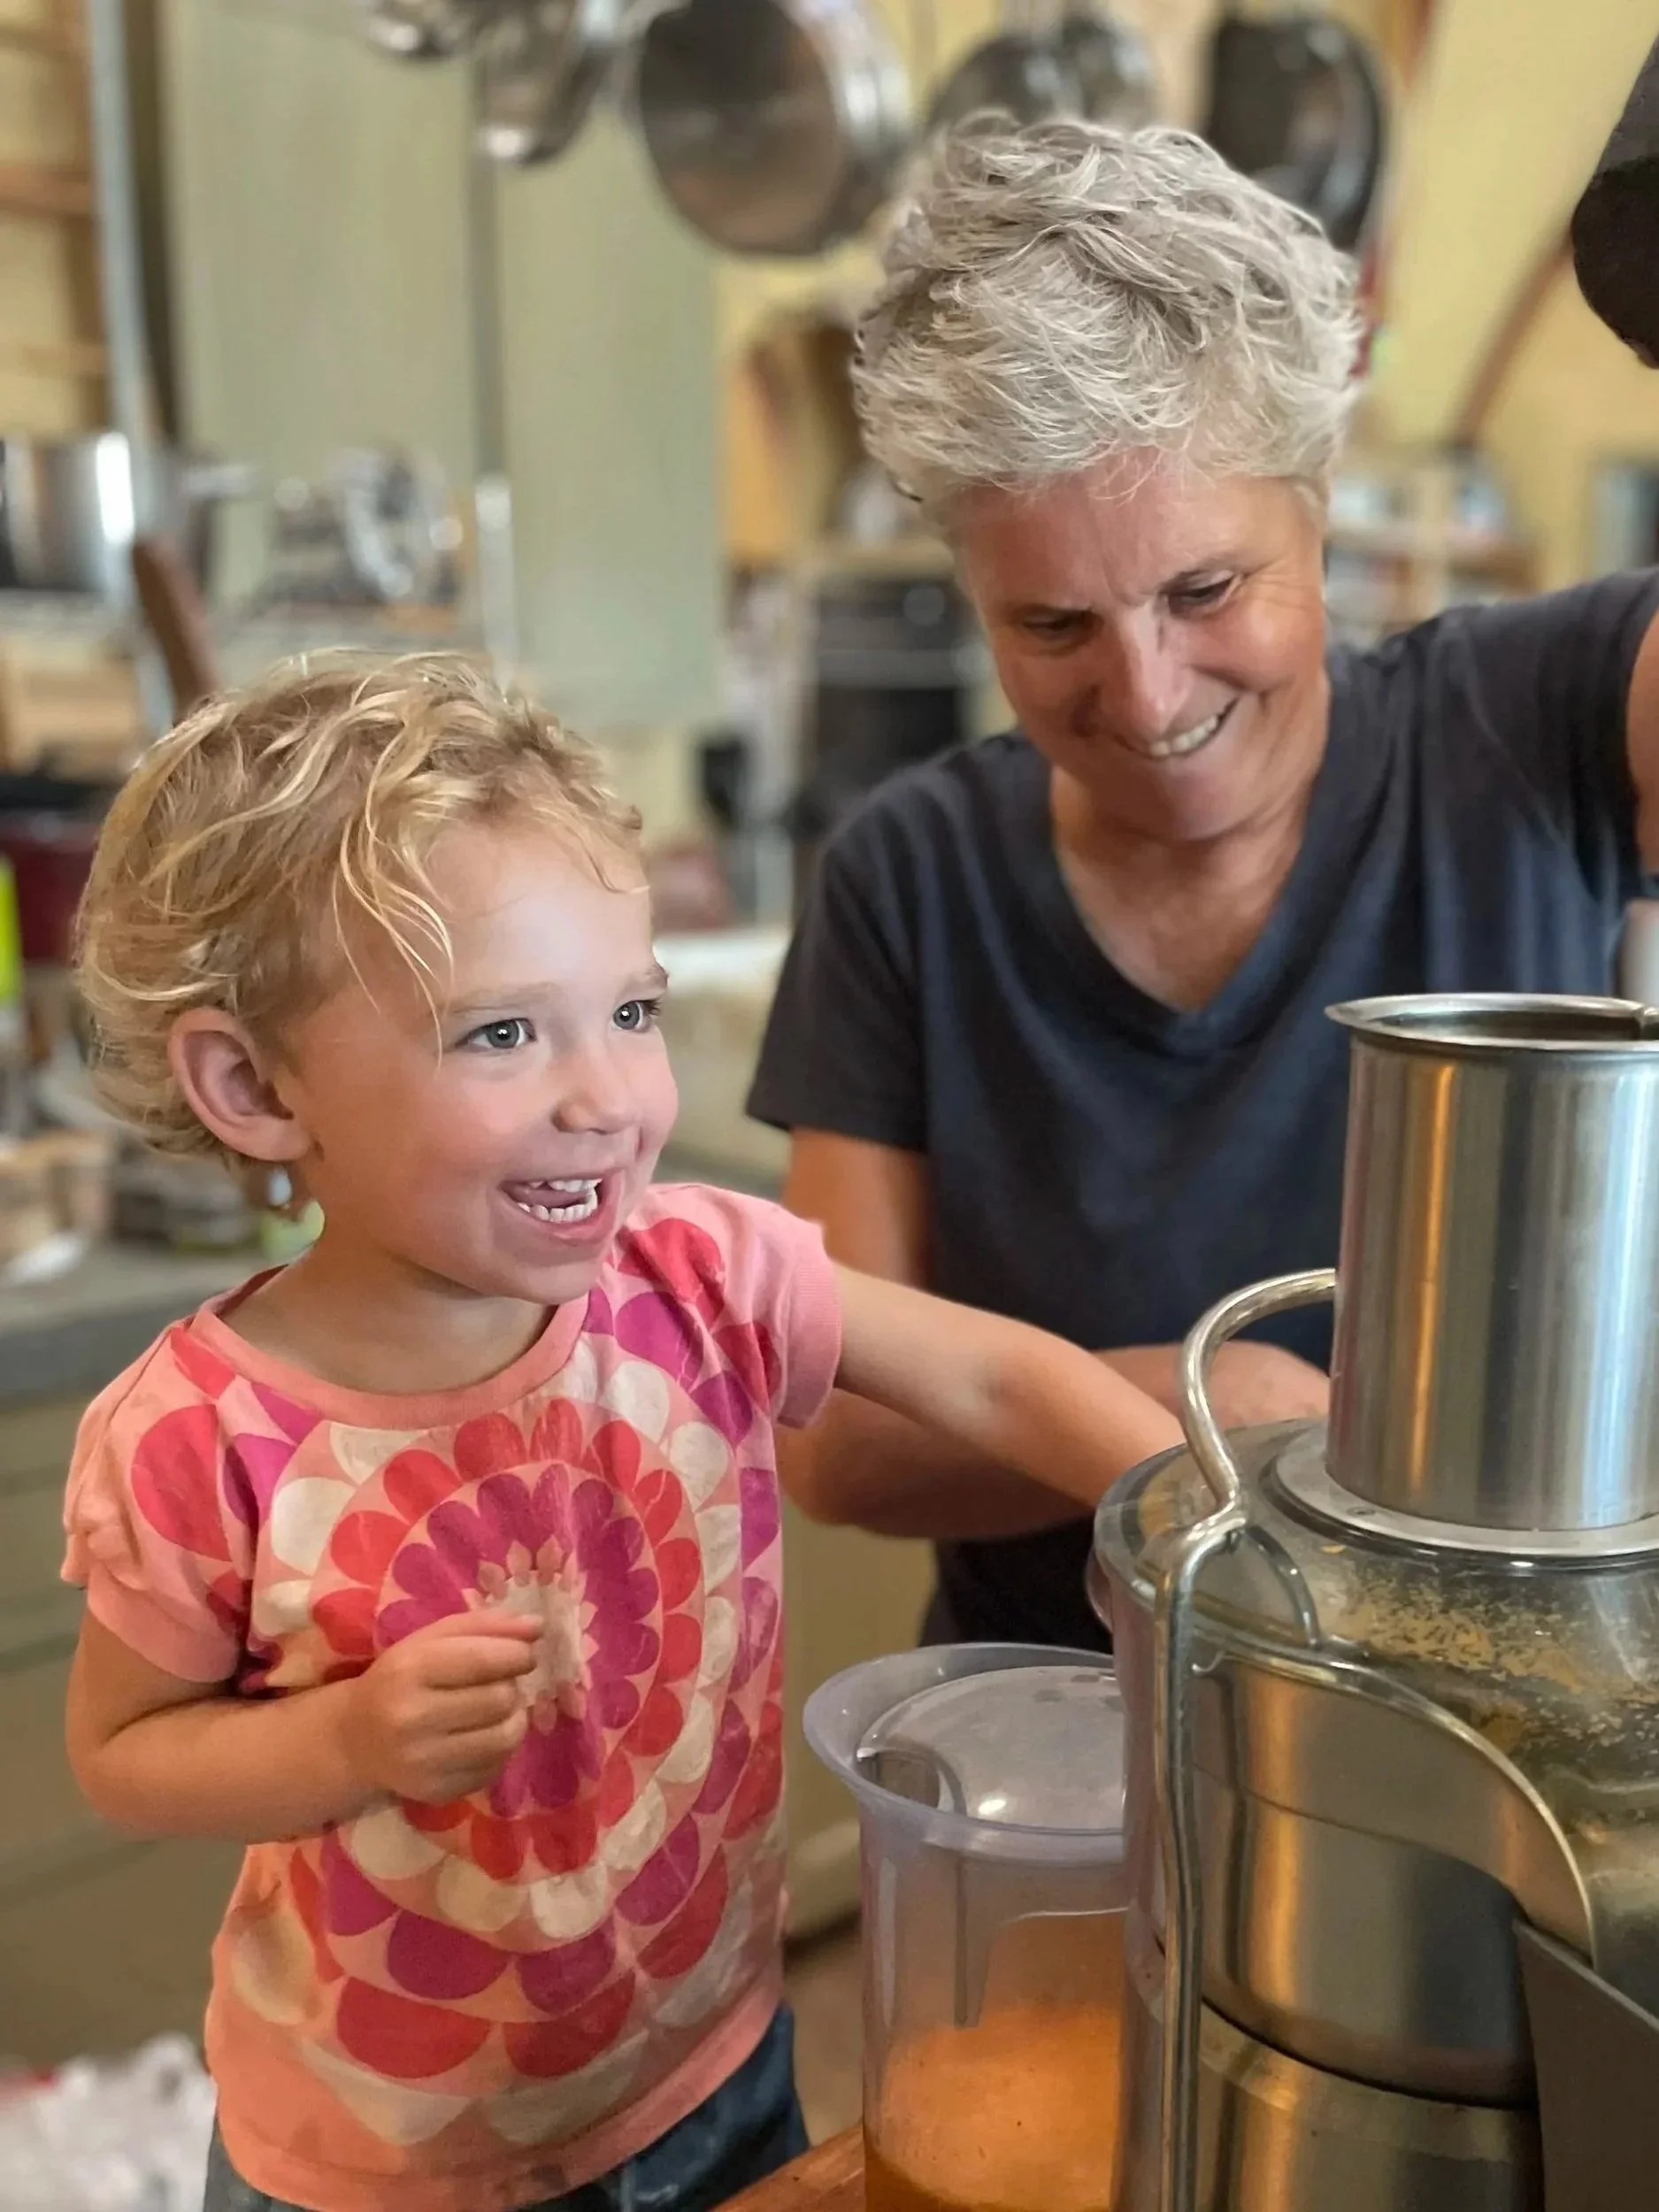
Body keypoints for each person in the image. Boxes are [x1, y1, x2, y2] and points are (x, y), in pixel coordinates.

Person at [59, 657, 1178, 2212]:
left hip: (710, 2072)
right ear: (254, 1086)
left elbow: (990, 1381)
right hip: (382, 2164)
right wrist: (343, 1743)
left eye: (631, 1009)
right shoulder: (200, 1431)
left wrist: (1199, 1516)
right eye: (503, 1036)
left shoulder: (702, 1272)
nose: (609, 1097)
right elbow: (122, 1757)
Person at [749, 119, 1659, 1652]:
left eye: (1203, 591)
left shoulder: (1543, 717)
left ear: (1314, 494)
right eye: (1049, 627)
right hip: (1050, 1739)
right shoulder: (907, 877)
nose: (1148, 693)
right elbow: (838, 1442)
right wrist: (1196, 1397)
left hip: (1493, 1721)